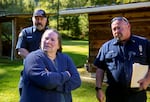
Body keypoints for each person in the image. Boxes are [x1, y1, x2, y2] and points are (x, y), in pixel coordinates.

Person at [94, 16, 150, 102]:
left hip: (137, 94)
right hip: (114, 95)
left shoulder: (143, 44)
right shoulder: (106, 47)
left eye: (119, 28)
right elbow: (100, 69)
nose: (116, 31)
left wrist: (147, 79)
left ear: (128, 26)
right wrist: (98, 89)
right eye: (114, 29)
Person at [20, 29, 81, 102]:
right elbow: (46, 80)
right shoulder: (33, 58)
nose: (48, 42)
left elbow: (76, 81)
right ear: (41, 41)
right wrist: (66, 75)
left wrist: (54, 84)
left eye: (52, 40)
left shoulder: (65, 59)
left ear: (58, 45)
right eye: (46, 38)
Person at [16, 9, 49, 95]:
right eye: (36, 18)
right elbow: (21, 50)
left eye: (41, 18)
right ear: (32, 19)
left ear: (46, 19)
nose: (39, 21)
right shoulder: (25, 32)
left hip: (47, 73)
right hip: (29, 73)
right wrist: (36, 61)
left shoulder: (51, 33)